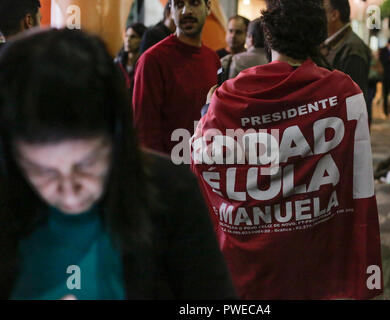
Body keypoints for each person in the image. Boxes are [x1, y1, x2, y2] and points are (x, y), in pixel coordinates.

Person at [0, 28, 235, 300]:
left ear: (117, 143)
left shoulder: (169, 192)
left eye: (87, 164)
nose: (70, 191)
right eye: (43, 172)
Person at [191, 0, 383, 300]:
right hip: (315, 250)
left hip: (250, 260)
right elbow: (358, 176)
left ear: (268, 35)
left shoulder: (228, 96)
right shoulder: (344, 93)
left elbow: (202, 162)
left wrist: (206, 116)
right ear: (319, 38)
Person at [133, 0, 221, 155]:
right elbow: (144, 130)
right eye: (179, 5)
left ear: (207, 7)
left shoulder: (212, 59)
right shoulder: (152, 60)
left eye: (194, 3)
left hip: (205, 168)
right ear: (171, 11)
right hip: (169, 171)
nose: (186, 11)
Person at [321, 0, 372, 118]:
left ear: (334, 15)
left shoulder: (352, 48)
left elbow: (354, 99)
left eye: (322, 12)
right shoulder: (330, 44)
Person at [115, 23, 147, 92]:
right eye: (126, 36)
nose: (128, 40)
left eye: (133, 37)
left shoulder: (144, 64)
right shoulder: (117, 63)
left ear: (142, 39)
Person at [367, 50, 384, 125]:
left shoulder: (372, 61)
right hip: (371, 83)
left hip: (370, 83)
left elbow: (381, 71)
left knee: (369, 102)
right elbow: (381, 71)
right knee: (369, 102)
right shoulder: (374, 61)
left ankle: (368, 119)